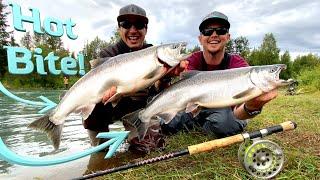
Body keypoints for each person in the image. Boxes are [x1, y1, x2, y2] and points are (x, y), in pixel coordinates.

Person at [161, 11, 278, 137]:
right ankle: (204, 123)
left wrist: (252, 107)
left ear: (228, 36)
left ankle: (209, 125)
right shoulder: (191, 60)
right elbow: (181, 95)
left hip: (224, 108)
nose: (214, 35)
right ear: (200, 39)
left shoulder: (238, 65)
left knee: (225, 125)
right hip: (193, 106)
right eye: (208, 31)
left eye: (221, 30)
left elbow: (239, 111)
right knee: (167, 125)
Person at [83, 4, 165, 153]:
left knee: (150, 149)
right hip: (108, 108)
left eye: (139, 25)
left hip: (139, 109)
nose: (133, 30)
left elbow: (160, 91)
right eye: (126, 24)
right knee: (92, 100)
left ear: (146, 29)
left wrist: (163, 79)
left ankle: (134, 138)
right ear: (119, 29)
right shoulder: (108, 54)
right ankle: (100, 144)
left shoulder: (154, 54)